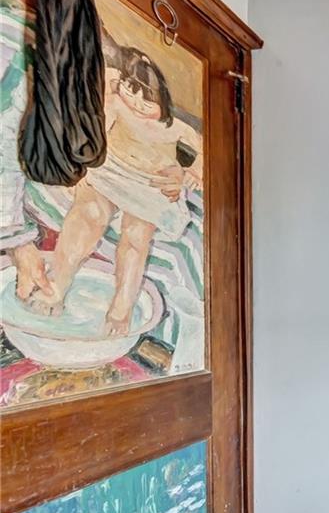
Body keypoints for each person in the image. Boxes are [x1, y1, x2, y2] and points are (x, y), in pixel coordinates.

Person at [28, 47, 203, 335]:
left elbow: (208, 151)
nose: (136, 102)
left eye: (146, 97)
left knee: (136, 236)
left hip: (148, 184)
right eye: (130, 89)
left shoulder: (175, 128)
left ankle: (122, 307)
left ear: (163, 99)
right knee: (89, 213)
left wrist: (189, 174)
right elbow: (93, 132)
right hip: (110, 170)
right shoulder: (117, 102)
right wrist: (82, 167)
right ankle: (57, 285)